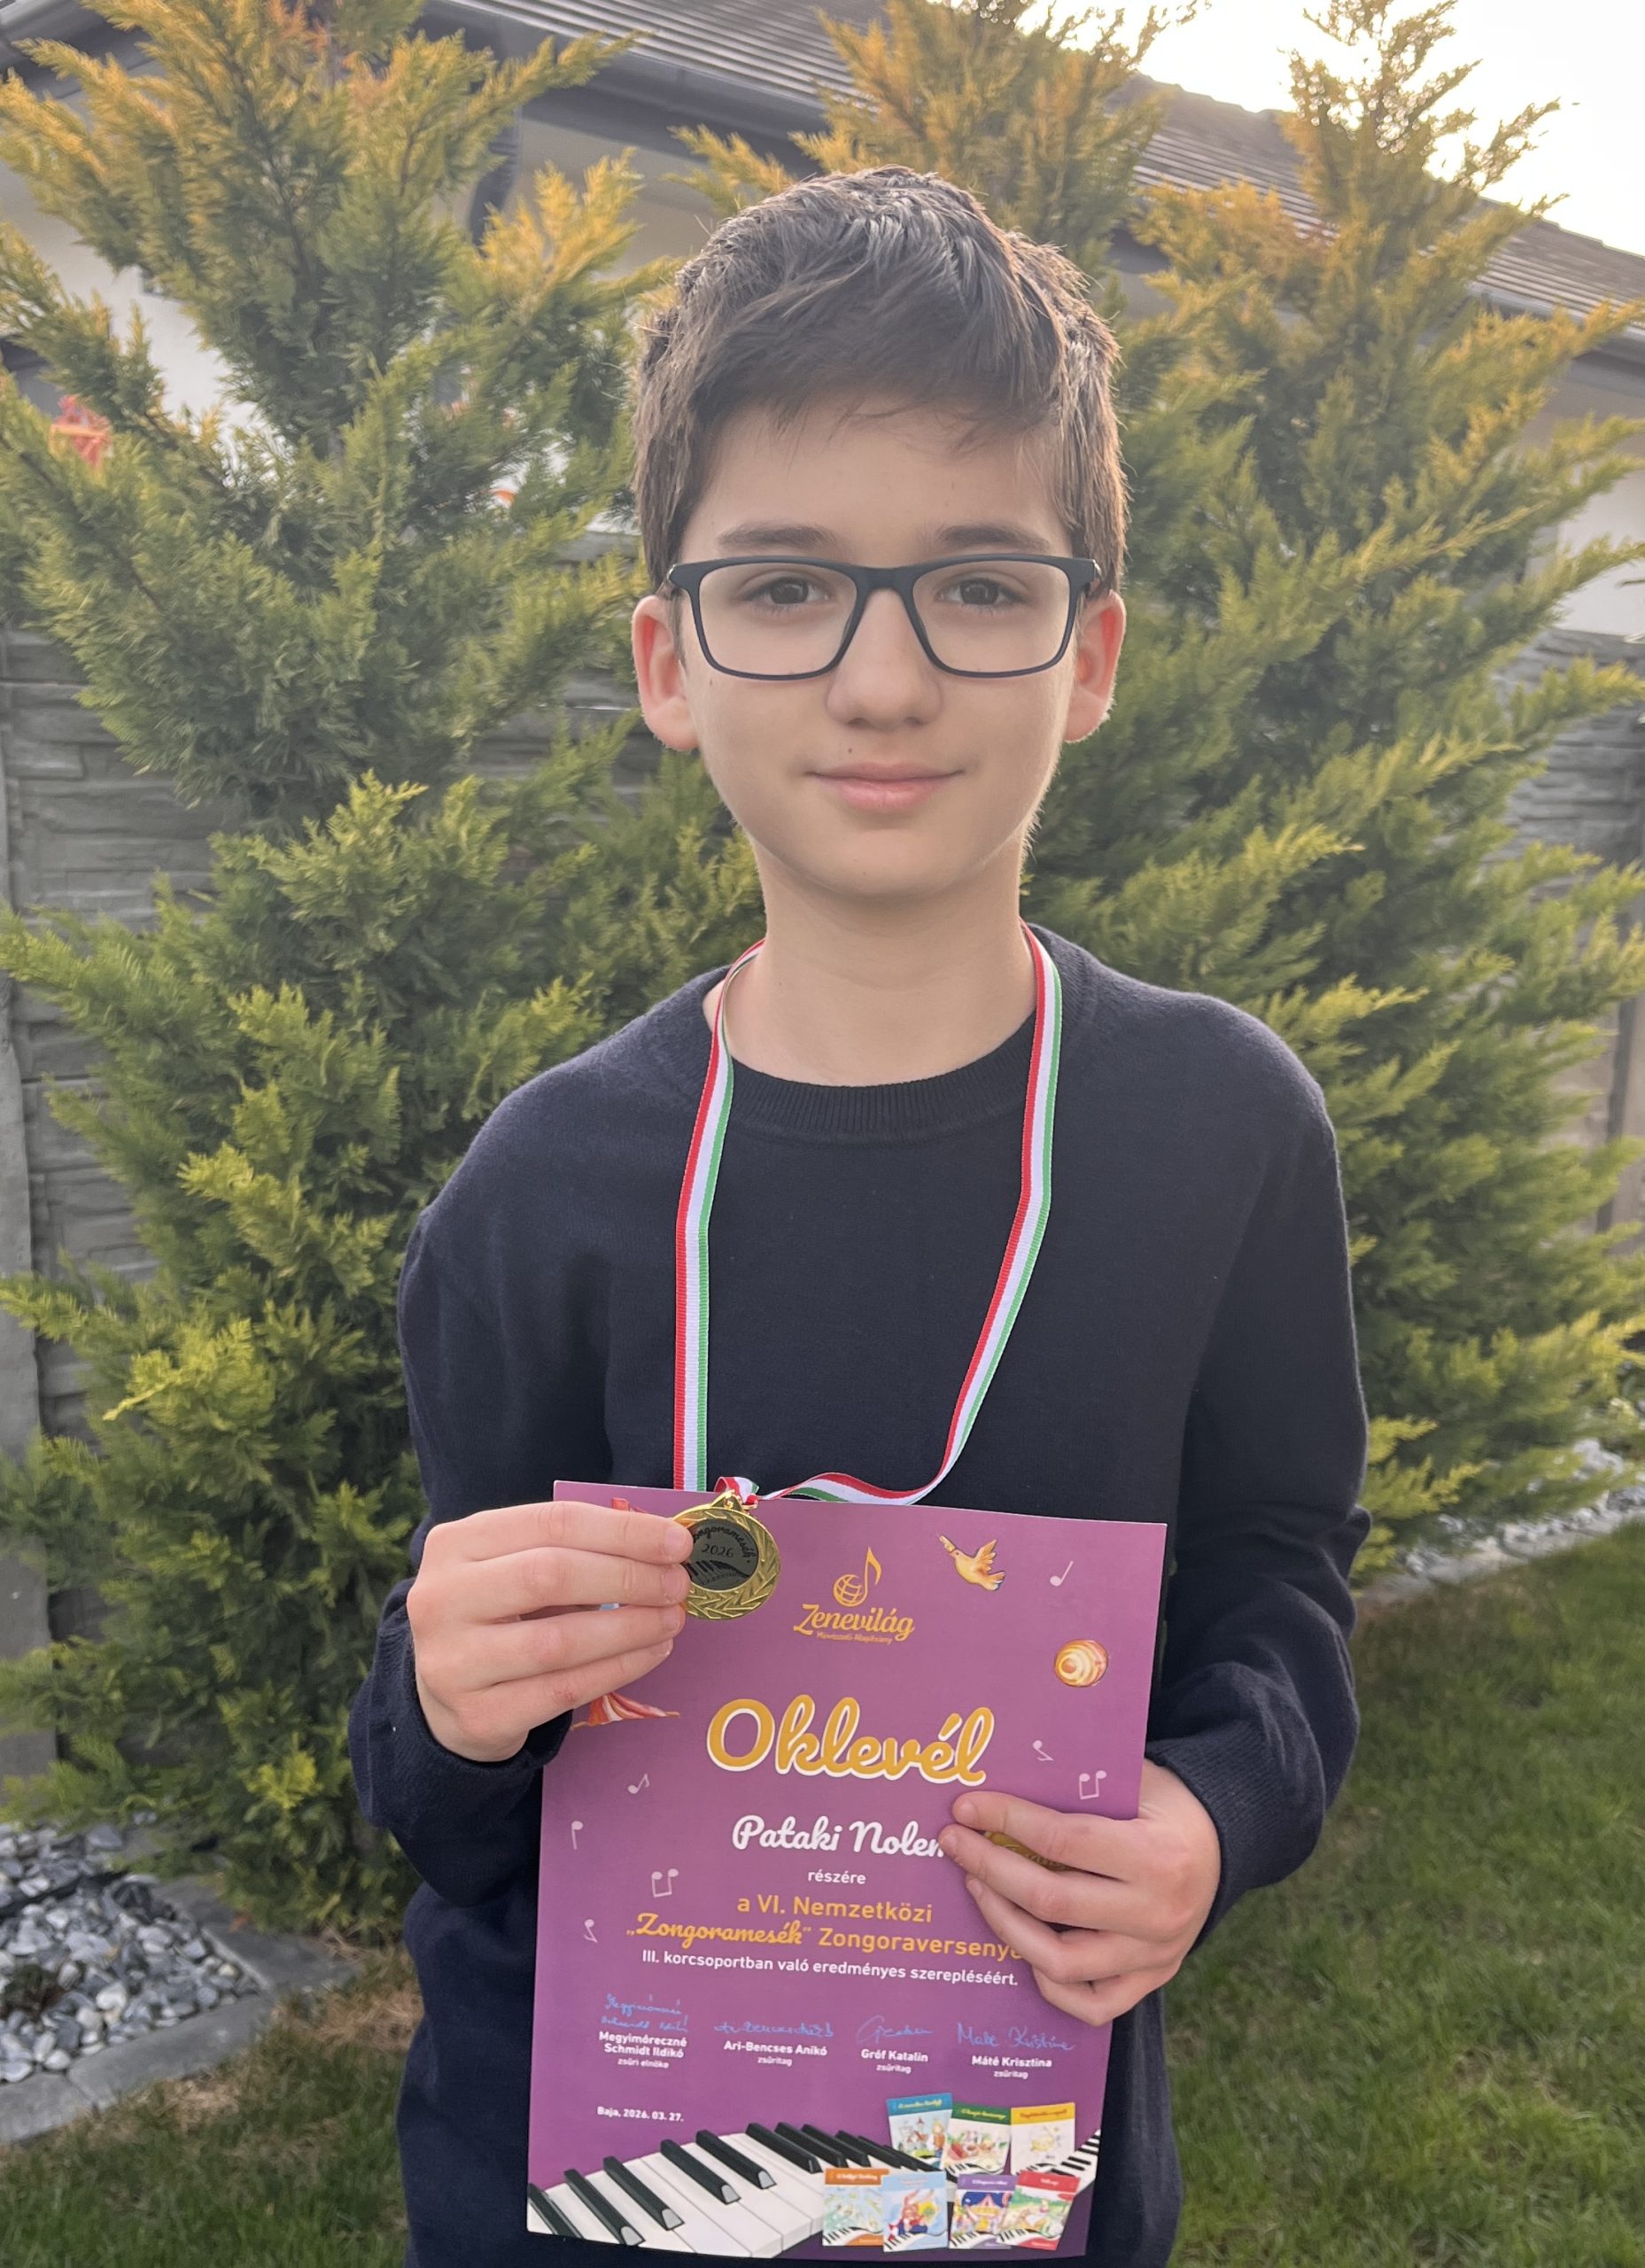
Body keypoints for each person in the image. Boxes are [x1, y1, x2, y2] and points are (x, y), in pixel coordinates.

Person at [347, 163, 1370, 2267]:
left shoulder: (1217, 1134)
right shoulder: (539, 1191)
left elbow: (1278, 1567)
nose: (881, 678)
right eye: (786, 584)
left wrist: (1213, 1808)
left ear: (1086, 655)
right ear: (667, 659)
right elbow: (449, 1794)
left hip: (1008, 2179)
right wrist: (443, 1695)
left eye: (977, 585)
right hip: (577, 2188)